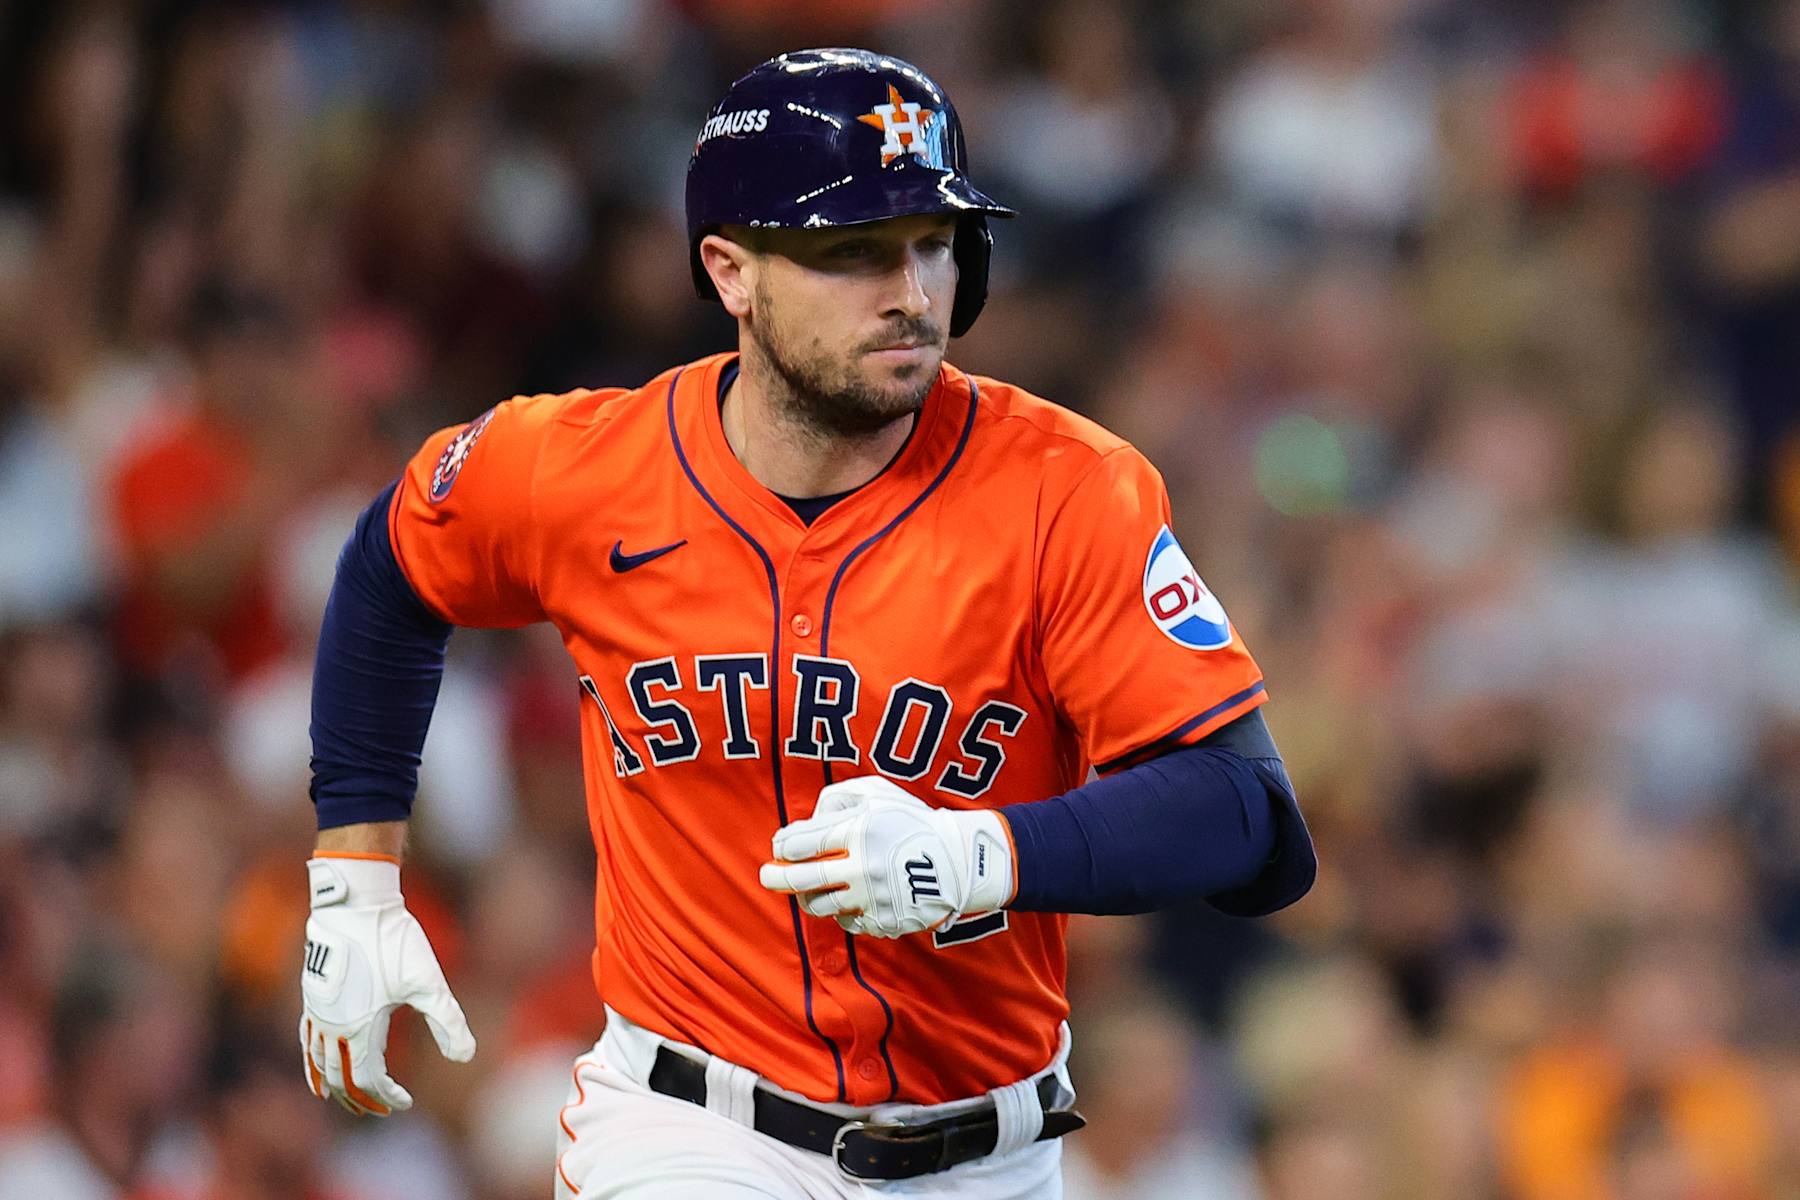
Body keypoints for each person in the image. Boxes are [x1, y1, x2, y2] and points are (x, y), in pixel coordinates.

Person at [298, 47, 1315, 1199]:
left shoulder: (1067, 488)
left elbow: (1250, 814)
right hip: (691, 1126)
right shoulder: (581, 469)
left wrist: (979, 856)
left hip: (994, 1150)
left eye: (934, 242)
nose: (913, 292)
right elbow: (391, 569)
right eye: (852, 253)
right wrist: (354, 875)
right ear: (731, 272)